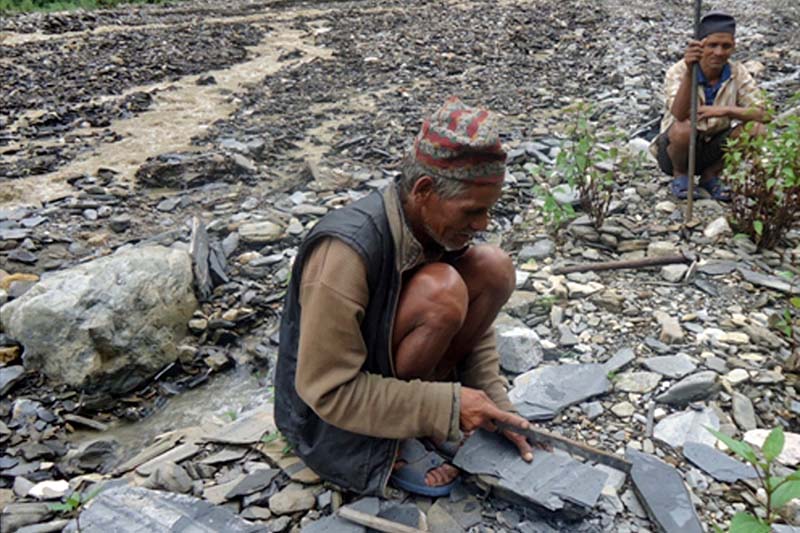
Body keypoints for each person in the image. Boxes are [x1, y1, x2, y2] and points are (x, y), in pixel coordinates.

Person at [274, 97, 536, 497]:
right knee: (442, 292)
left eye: (488, 211)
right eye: (472, 212)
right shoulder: (344, 252)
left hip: (394, 378)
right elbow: (327, 391)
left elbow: (477, 334)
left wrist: (498, 408)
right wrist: (446, 407)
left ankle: (423, 415)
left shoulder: (434, 224)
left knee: (493, 267)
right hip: (330, 421)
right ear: (424, 190)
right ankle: (394, 439)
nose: (482, 224)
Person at [650, 11, 766, 201]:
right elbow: (679, 113)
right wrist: (690, 71)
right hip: (676, 151)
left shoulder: (737, 72)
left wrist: (725, 110)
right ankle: (681, 176)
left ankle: (711, 176)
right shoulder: (679, 71)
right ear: (700, 46)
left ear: (733, 47)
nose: (719, 52)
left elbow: (764, 114)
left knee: (757, 129)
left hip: (714, 146)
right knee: (683, 128)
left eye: (726, 46)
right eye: (712, 45)